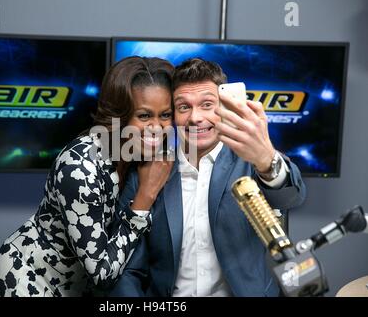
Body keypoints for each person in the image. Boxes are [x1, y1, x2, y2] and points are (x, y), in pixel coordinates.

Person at [109, 58, 307, 297]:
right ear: (173, 115)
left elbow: (291, 197)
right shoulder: (146, 172)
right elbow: (128, 269)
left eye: (207, 105)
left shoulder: (253, 162)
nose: (195, 118)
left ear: (223, 107)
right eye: (184, 107)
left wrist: (267, 160)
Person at [0, 56, 175, 297]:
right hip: (29, 279)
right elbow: (103, 274)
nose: (156, 128)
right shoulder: (80, 167)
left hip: (78, 288)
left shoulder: (140, 153)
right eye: (145, 116)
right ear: (120, 115)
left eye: (165, 115)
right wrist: (144, 198)